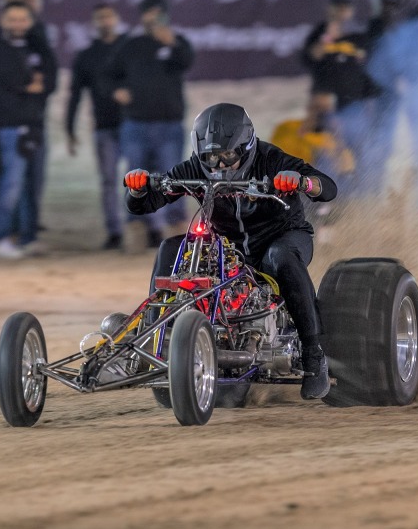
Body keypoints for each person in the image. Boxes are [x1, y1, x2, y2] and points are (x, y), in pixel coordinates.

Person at [124, 103, 338, 399]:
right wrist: (138, 188)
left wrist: (301, 181)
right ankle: (157, 338)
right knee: (172, 247)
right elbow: (146, 204)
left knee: (281, 258)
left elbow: (327, 187)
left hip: (282, 237)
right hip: (227, 247)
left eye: (227, 156)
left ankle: (314, 357)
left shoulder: (271, 159)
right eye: (210, 158)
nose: (219, 165)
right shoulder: (196, 167)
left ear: (247, 146)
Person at [106, 0, 194, 248]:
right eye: (149, 13)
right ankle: (138, 232)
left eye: (159, 13)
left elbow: (187, 62)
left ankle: (177, 235)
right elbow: (108, 75)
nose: (154, 18)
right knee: (136, 178)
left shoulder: (178, 42)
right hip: (136, 125)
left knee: (173, 178)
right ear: (142, 16)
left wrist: (172, 44)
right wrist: (117, 90)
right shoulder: (131, 46)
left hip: (170, 125)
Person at [0, 1, 57, 259]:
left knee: (32, 185)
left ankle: (28, 238)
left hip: (35, 125)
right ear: (2, 21)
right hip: (8, 126)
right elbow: (11, 79)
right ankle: (1, 237)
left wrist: (34, 82)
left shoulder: (38, 48)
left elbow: (50, 80)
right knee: (11, 184)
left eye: (22, 19)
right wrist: (28, 81)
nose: (17, 25)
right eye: (12, 19)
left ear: (30, 22)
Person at [65, 3, 127, 250]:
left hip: (134, 124)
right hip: (103, 126)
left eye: (109, 16)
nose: (105, 21)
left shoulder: (130, 49)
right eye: (100, 17)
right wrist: (69, 128)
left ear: (117, 19)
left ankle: (148, 228)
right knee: (108, 181)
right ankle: (114, 232)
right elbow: (75, 95)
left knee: (143, 180)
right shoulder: (87, 56)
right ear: (94, 23)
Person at [301, 0, 380, 111]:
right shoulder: (320, 32)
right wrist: (328, 37)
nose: (342, 11)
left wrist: (370, 98)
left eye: (345, 7)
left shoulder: (359, 34)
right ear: (329, 8)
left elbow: (370, 67)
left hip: (355, 101)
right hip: (327, 101)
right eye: (338, 7)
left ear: (352, 10)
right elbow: (309, 58)